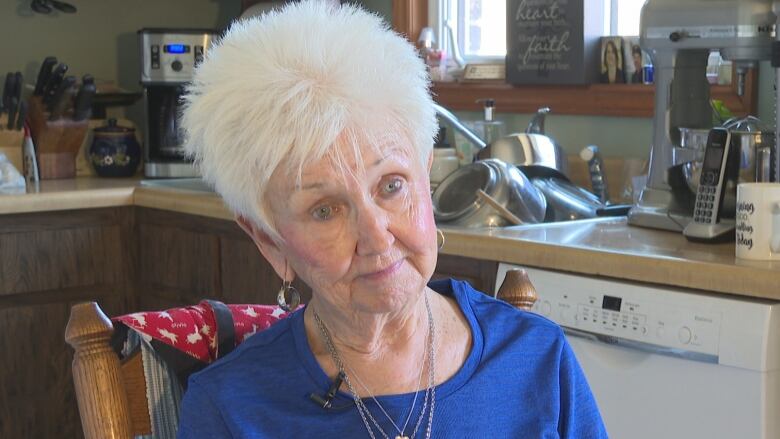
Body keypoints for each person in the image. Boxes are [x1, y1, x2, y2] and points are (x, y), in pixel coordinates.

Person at [177, 1, 608, 438]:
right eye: (325, 210)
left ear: (426, 175)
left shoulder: (535, 356)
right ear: (269, 241)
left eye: (391, 186)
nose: (377, 237)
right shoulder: (229, 407)